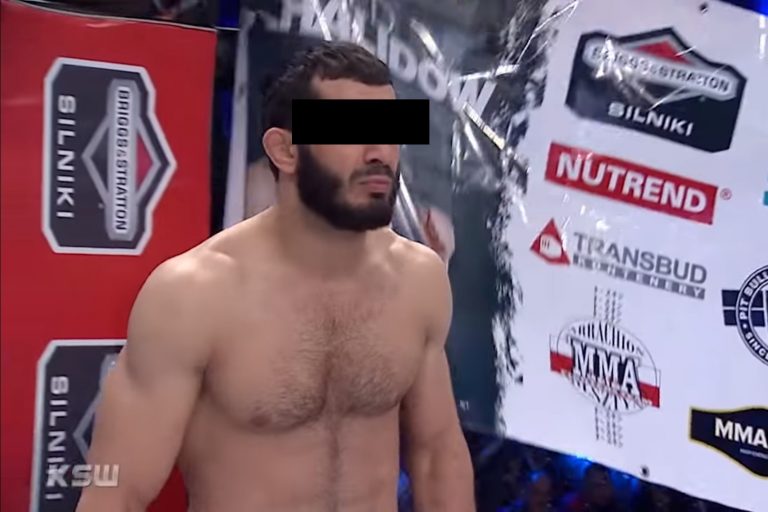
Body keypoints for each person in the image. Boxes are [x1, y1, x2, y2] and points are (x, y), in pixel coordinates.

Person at [76, 41, 474, 512]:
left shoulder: (419, 280)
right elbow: (115, 490)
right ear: (285, 150)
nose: (379, 152)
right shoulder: (193, 296)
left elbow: (437, 455)